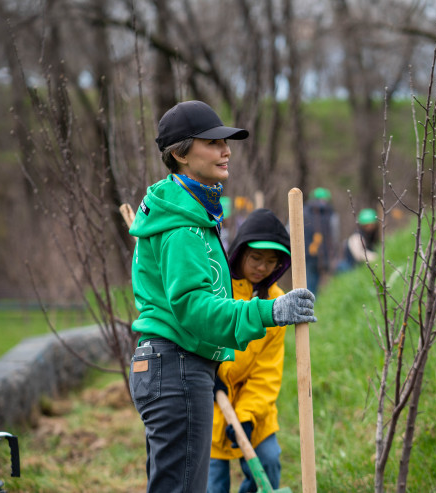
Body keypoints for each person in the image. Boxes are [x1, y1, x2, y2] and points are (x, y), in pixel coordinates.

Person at [128, 100, 316, 493]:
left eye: (226, 143)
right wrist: (270, 310)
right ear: (180, 153)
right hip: (177, 366)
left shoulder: (189, 212)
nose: (225, 151)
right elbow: (194, 309)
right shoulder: (183, 226)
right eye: (212, 143)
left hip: (176, 365)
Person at [207, 207, 291, 493]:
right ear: (240, 253)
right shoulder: (217, 290)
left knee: (268, 461)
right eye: (255, 257)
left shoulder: (277, 306)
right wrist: (209, 374)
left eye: (271, 261)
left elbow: (268, 371)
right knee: (212, 481)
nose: (261, 267)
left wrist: (247, 415)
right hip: (209, 402)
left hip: (254, 407)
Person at [303, 187, 339, 295]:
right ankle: (315, 304)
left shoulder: (302, 211)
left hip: (306, 254)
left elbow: (289, 230)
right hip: (324, 255)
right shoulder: (331, 214)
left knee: (308, 282)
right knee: (318, 282)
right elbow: (335, 235)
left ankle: (307, 305)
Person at [336, 208, 379, 272]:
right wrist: (375, 257)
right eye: (367, 225)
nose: (369, 227)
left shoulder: (373, 236)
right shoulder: (356, 237)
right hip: (351, 268)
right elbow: (359, 254)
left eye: (371, 225)